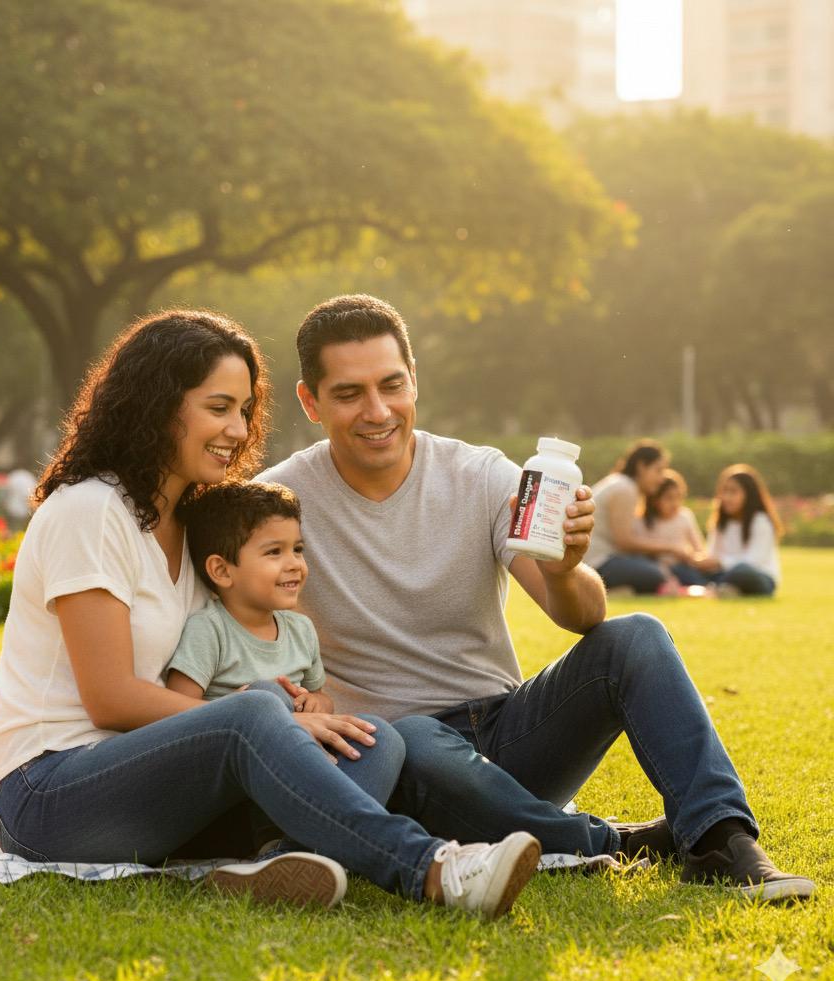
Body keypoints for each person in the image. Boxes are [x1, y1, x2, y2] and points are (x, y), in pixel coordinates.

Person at [0, 308, 542, 918]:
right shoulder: (90, 509)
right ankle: (435, 869)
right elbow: (111, 698)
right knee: (252, 715)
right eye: (218, 408)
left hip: (157, 785)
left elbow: (224, 653)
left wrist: (291, 703)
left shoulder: (200, 525)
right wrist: (262, 720)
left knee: (369, 739)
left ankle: (278, 863)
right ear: (158, 405)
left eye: (245, 410)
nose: (238, 429)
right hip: (52, 793)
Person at [258, 293, 814, 902]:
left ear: (414, 380)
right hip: (394, 755)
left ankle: (721, 838)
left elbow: (579, 616)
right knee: (414, 736)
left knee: (636, 636)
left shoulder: (482, 475)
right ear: (310, 402)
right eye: (349, 394)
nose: (378, 410)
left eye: (393, 385)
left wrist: (568, 568)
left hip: (509, 733)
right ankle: (613, 845)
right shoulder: (277, 502)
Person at [166, 482, 330, 710]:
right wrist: (239, 708)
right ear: (222, 571)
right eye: (274, 552)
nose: (294, 563)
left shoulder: (302, 630)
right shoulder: (209, 630)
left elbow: (322, 698)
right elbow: (178, 713)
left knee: (380, 734)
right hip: (241, 739)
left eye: (298, 549)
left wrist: (315, 703)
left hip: (302, 737)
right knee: (267, 695)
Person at [583, 441, 696, 594]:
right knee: (657, 574)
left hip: (598, 559)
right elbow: (624, 542)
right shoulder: (625, 488)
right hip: (597, 562)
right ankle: (613, 590)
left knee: (656, 570)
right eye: (658, 470)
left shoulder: (619, 483)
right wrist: (671, 548)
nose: (661, 478)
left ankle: (620, 589)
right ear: (641, 466)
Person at [692, 464, 782, 596]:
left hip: (758, 577)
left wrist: (720, 562)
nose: (727, 497)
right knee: (685, 569)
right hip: (724, 574)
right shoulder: (721, 522)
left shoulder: (761, 521)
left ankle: (715, 588)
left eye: (733, 492)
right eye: (725, 491)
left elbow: (753, 561)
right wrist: (699, 561)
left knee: (742, 570)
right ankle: (726, 589)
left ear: (749, 494)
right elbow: (712, 554)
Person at [633, 469, 708, 592]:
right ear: (655, 500)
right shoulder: (642, 522)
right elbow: (641, 554)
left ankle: (709, 588)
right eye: (669, 498)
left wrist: (693, 558)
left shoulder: (685, 517)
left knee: (690, 575)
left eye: (679, 497)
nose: (675, 503)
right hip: (657, 569)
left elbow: (699, 549)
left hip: (683, 566)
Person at [4, 465, 38, 531]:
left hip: (12, 508)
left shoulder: (13, 476)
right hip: (23, 509)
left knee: (14, 529)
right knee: (21, 530)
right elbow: (28, 494)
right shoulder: (27, 477)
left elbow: (7, 492)